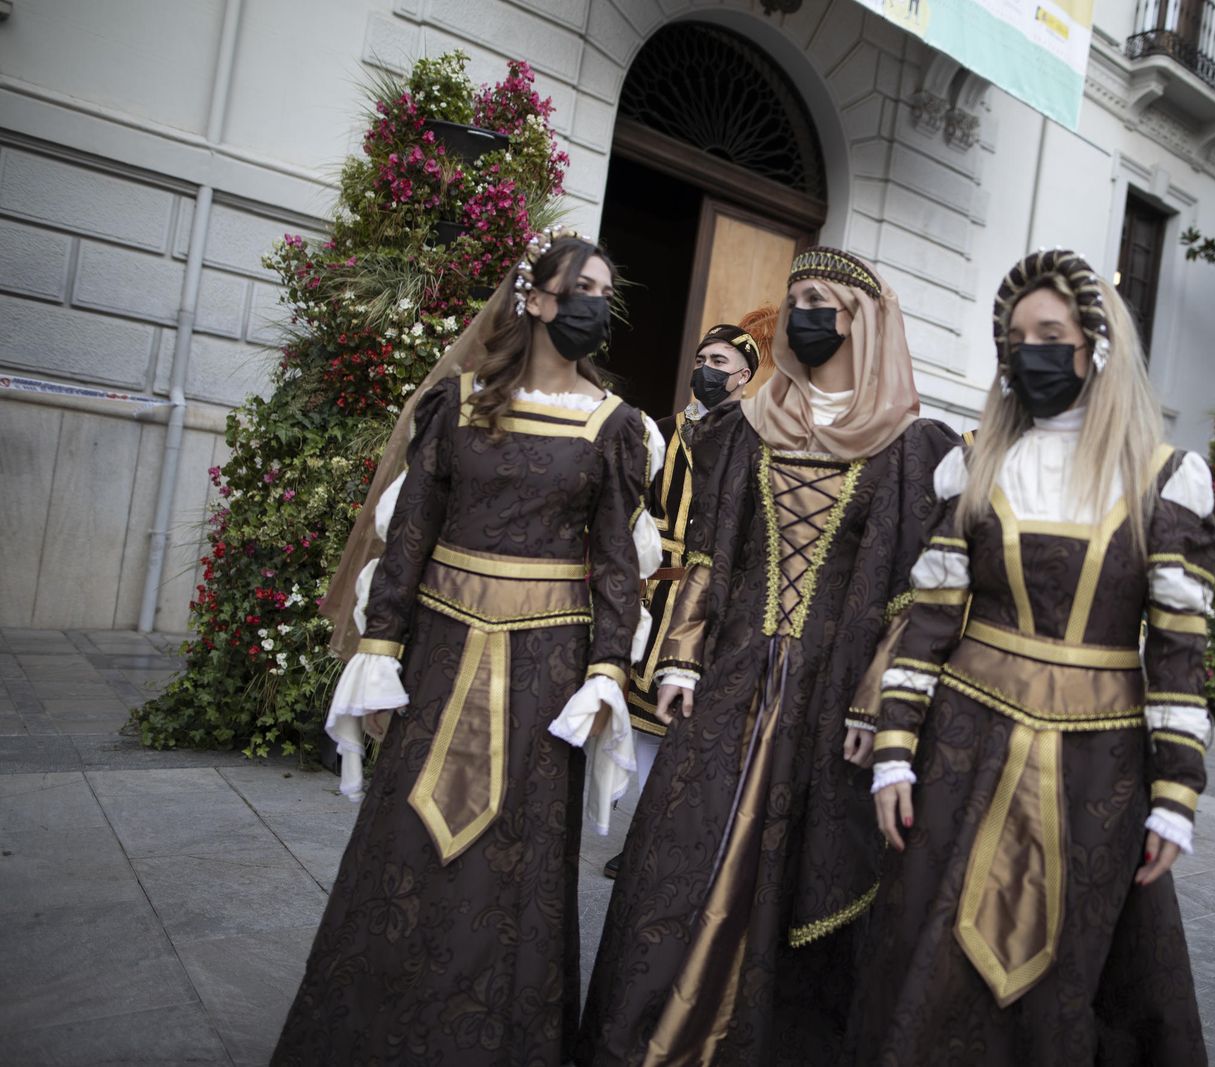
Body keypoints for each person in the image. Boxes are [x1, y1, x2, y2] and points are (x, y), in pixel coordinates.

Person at [273, 231, 664, 1066]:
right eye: (583, 289)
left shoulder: (615, 426)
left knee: (517, 856)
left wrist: (606, 672)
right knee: (408, 837)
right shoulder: (459, 402)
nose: (597, 307)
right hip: (441, 654)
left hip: (546, 671)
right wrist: (380, 643)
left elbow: (615, 563)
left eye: (606, 294)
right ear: (538, 299)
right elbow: (412, 533)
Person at [577, 248, 959, 1067]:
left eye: (822, 300)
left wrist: (877, 704)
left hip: (831, 688)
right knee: (679, 846)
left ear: (863, 321)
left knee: (803, 866)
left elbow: (911, 591)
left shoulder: (909, 445)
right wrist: (681, 655)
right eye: (796, 299)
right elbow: (713, 550)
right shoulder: (749, 426)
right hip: (735, 670)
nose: (803, 313)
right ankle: (649, 1039)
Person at [851, 249, 1215, 1065]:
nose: (1031, 352)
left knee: (1071, 967)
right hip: (962, 754)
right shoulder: (977, 464)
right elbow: (930, 622)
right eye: (1017, 339)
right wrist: (894, 751)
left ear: (1096, 345)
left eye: (1051, 335)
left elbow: (1178, 653)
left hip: (1098, 773)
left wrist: (1175, 792)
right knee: (932, 955)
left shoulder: (1164, 480)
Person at [607, 308, 775, 879]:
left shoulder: (757, 438)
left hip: (706, 598)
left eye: (718, 361)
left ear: (743, 375)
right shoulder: (657, 430)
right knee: (629, 705)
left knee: (680, 717)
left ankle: (648, 840)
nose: (705, 369)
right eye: (701, 359)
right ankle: (613, 820)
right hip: (651, 588)